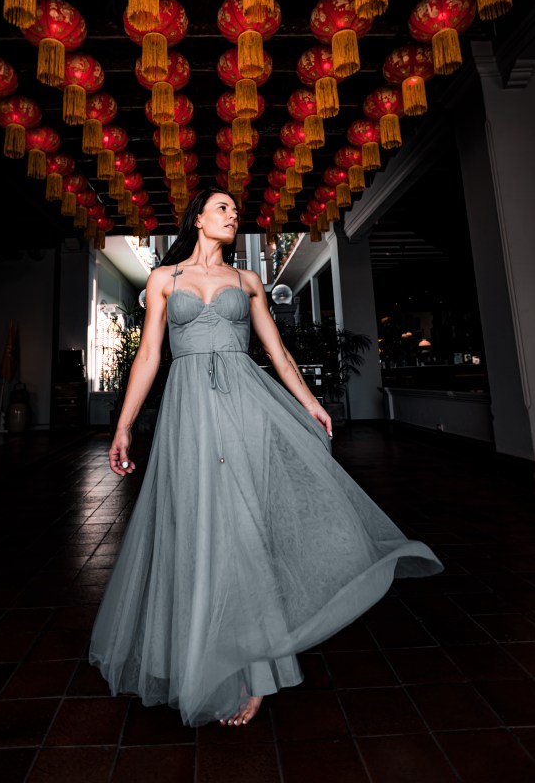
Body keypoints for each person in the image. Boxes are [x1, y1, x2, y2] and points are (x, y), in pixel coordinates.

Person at [88, 187, 443, 728]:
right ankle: (194, 660)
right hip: (187, 416)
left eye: (234, 209)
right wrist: (124, 426)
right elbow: (150, 356)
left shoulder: (247, 281)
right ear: (199, 219)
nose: (234, 215)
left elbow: (278, 354)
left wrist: (312, 405)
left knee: (244, 532)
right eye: (223, 208)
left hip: (244, 409)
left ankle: (255, 672)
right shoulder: (165, 279)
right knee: (194, 529)